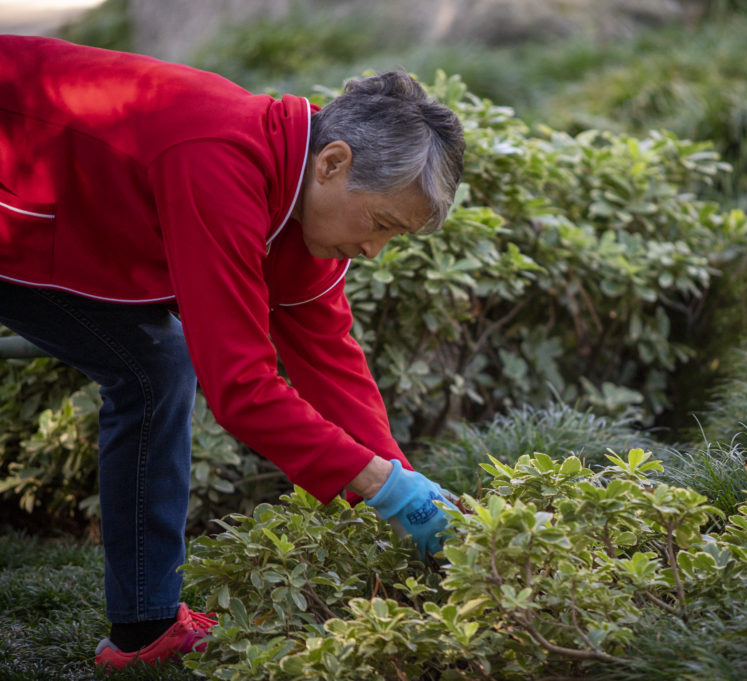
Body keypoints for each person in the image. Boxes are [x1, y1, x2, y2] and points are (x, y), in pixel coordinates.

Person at [0, 35, 465, 669]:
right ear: (333, 162)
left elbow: (330, 361)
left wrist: (407, 491)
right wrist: (384, 489)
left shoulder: (300, 201)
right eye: (381, 223)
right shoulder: (219, 161)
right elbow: (242, 391)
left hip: (57, 215)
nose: (376, 249)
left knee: (154, 368)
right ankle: (147, 624)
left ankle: (145, 628)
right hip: (15, 178)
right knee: (156, 367)